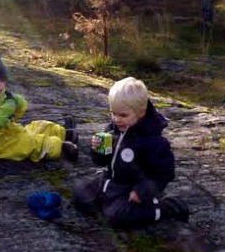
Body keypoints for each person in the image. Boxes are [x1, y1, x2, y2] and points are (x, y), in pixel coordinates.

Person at [73, 76, 190, 227]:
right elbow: (100, 162)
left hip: (130, 191)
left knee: (115, 216)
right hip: (109, 182)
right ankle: (106, 204)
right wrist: (98, 151)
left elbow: (164, 173)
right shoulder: (112, 130)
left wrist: (142, 191)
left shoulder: (153, 142)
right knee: (79, 194)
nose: (116, 119)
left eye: (123, 115)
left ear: (141, 113)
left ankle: (162, 209)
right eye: (113, 113)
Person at [0, 53, 79, 163]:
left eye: (2, 80)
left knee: (37, 126)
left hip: (10, 132)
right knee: (29, 143)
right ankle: (61, 148)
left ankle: (64, 133)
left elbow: (15, 115)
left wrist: (18, 103)